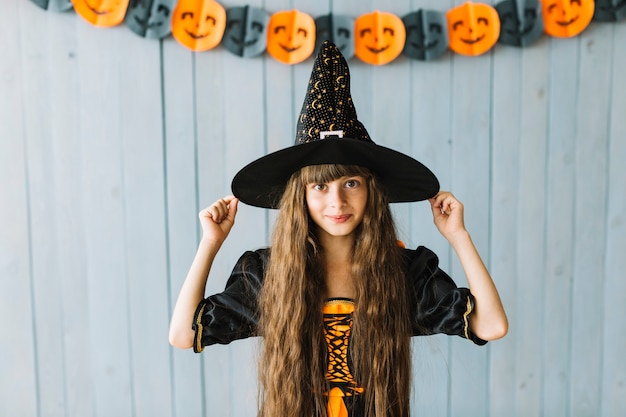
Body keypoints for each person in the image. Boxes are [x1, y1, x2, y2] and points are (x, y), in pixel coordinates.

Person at [169, 41, 507, 417]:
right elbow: (184, 334)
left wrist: (458, 237)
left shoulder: (404, 272)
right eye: (320, 186)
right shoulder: (268, 274)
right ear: (299, 196)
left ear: (371, 191)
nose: (337, 203)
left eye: (351, 183)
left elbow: (490, 325)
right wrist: (210, 244)